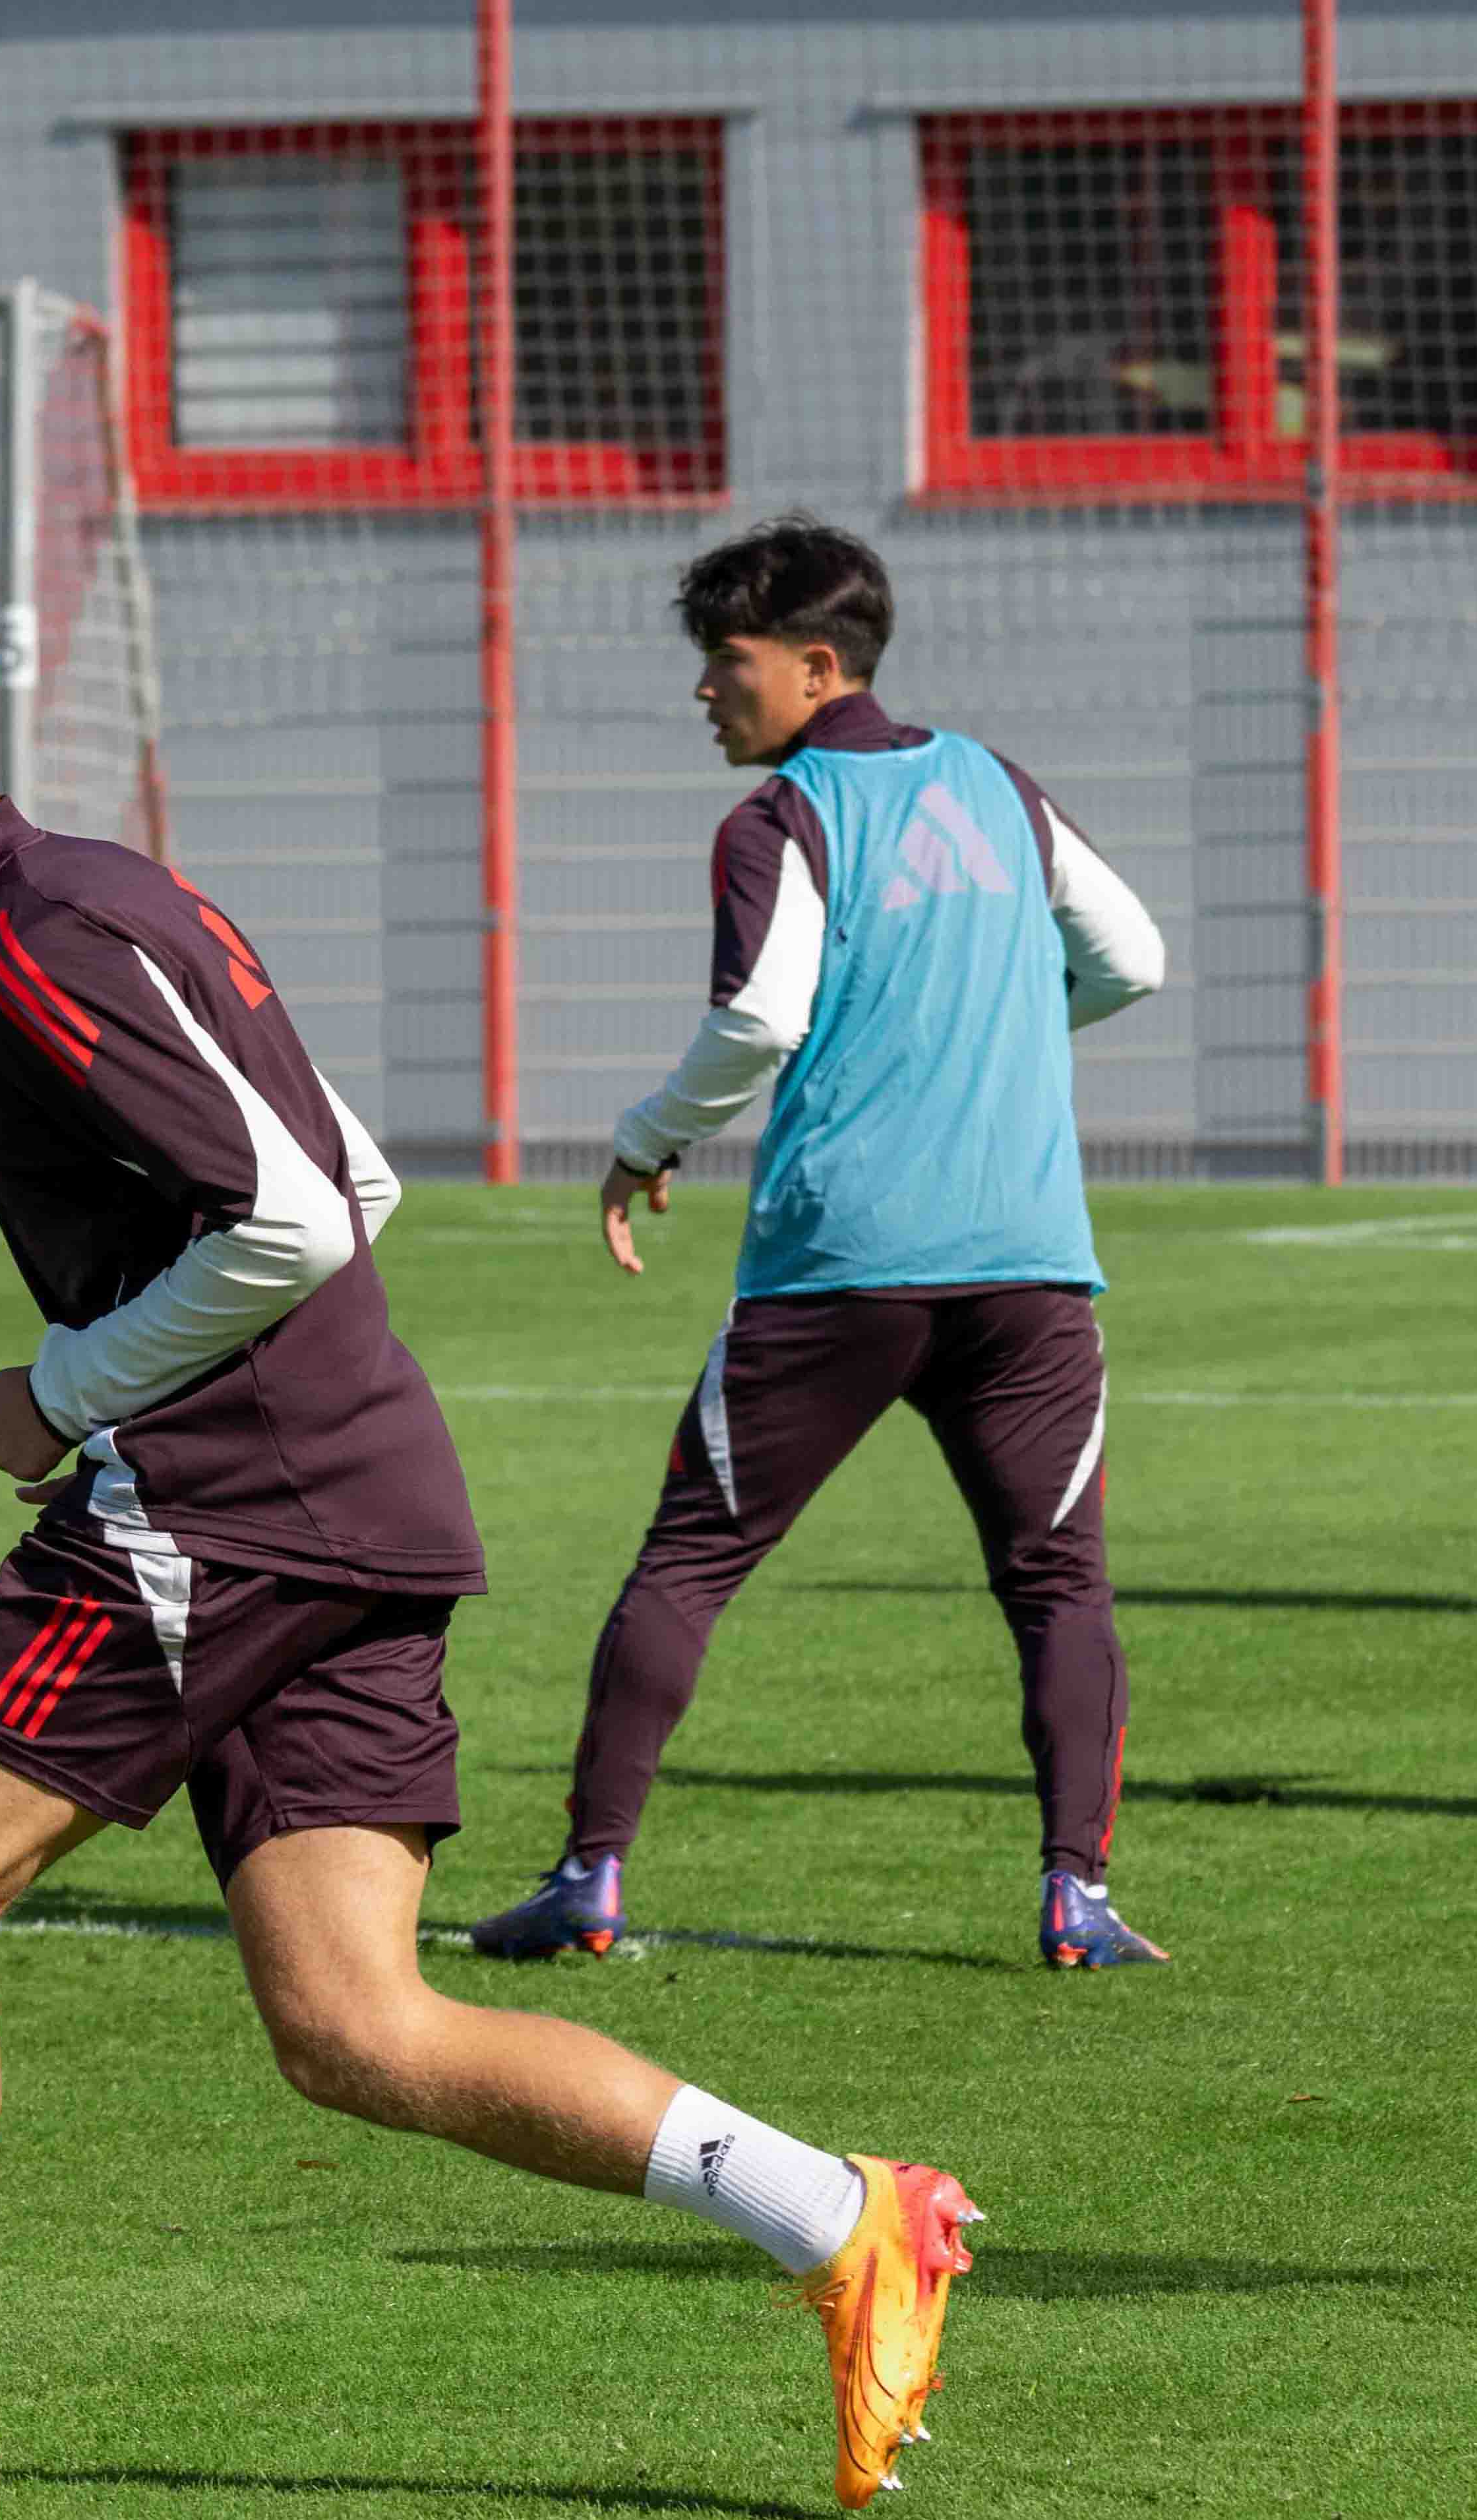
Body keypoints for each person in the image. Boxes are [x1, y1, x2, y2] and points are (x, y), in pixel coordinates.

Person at [0, 541, 977, 2520]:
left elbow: (294, 1215)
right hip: (355, 1495)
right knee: (355, 2024)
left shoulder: (35, 938)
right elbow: (348, 1162)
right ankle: (838, 2213)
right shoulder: (110, 890)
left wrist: (68, 1387)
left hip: (223, 1507)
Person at [466, 514, 1174, 1973]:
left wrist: (646, 1138)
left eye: (723, 664)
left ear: (811, 664)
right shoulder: (998, 786)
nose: (704, 692)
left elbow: (758, 1021)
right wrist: (991, 1035)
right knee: (1058, 1582)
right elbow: (1132, 958)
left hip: (839, 1268)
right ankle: (1076, 1897)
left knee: (688, 1563)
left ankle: (590, 1875)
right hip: (1027, 1265)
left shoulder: (779, 818)